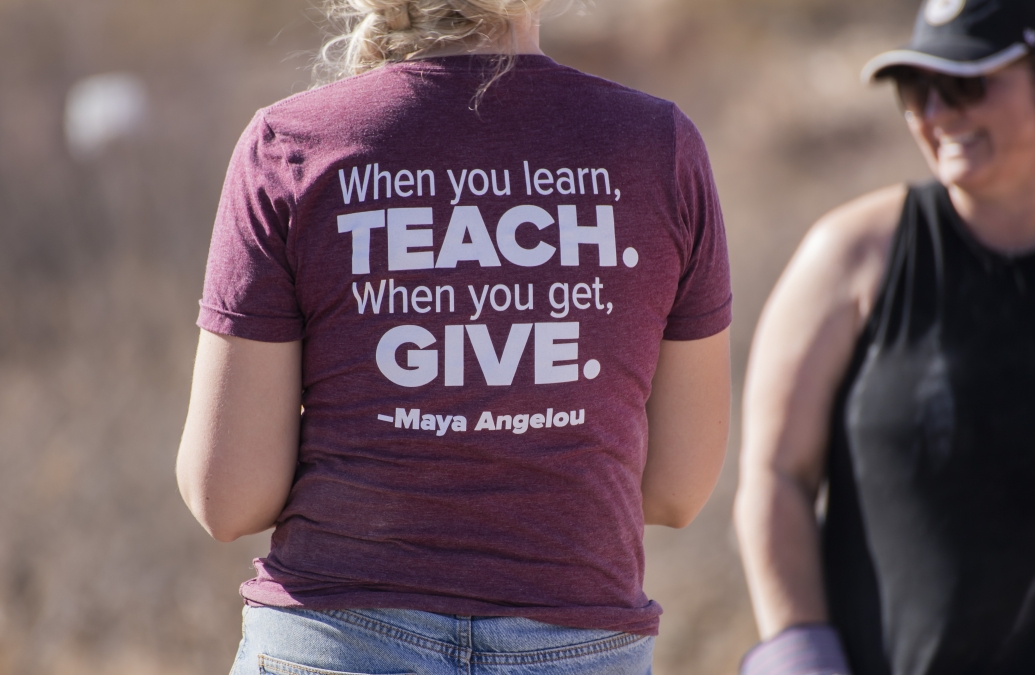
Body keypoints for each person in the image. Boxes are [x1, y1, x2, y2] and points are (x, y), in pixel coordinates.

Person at [174, 1, 733, 673]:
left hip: (336, 641)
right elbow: (678, 487)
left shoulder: (290, 144)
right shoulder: (657, 145)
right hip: (577, 642)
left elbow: (229, 497)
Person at [735, 0, 1035, 673]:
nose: (936, 112)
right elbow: (775, 474)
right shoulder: (847, 259)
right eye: (915, 88)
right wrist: (799, 653)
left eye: (967, 84)